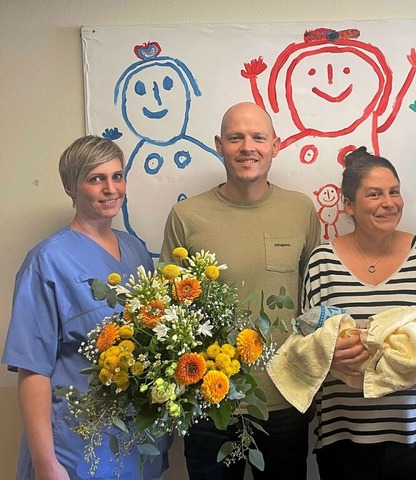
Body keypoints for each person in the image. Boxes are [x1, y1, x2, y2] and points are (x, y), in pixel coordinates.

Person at [160, 101, 321, 479]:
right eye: (236, 138)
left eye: (258, 137)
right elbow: (170, 312)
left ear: (276, 145)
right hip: (208, 403)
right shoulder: (186, 217)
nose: (248, 147)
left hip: (284, 398)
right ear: (219, 144)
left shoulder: (300, 210)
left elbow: (316, 301)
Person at [1, 136, 169, 480]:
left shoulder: (135, 250)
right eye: (96, 179)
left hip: (137, 438)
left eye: (117, 176)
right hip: (76, 443)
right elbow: (33, 371)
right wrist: (47, 465)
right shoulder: (47, 261)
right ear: (69, 187)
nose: (111, 189)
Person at [302, 146, 416, 480]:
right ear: (348, 205)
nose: (389, 203)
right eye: (374, 194)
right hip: (343, 441)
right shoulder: (321, 263)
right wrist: (329, 357)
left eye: (394, 192)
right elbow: (307, 350)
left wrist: (378, 370)